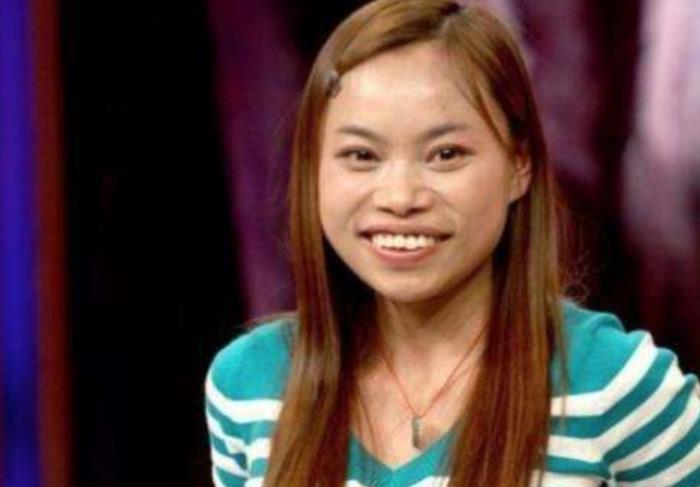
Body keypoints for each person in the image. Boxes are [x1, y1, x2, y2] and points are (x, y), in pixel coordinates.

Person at [204, 0, 700, 485]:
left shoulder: (619, 386)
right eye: (361, 155)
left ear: (520, 165)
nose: (400, 197)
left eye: (445, 154)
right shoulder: (247, 385)